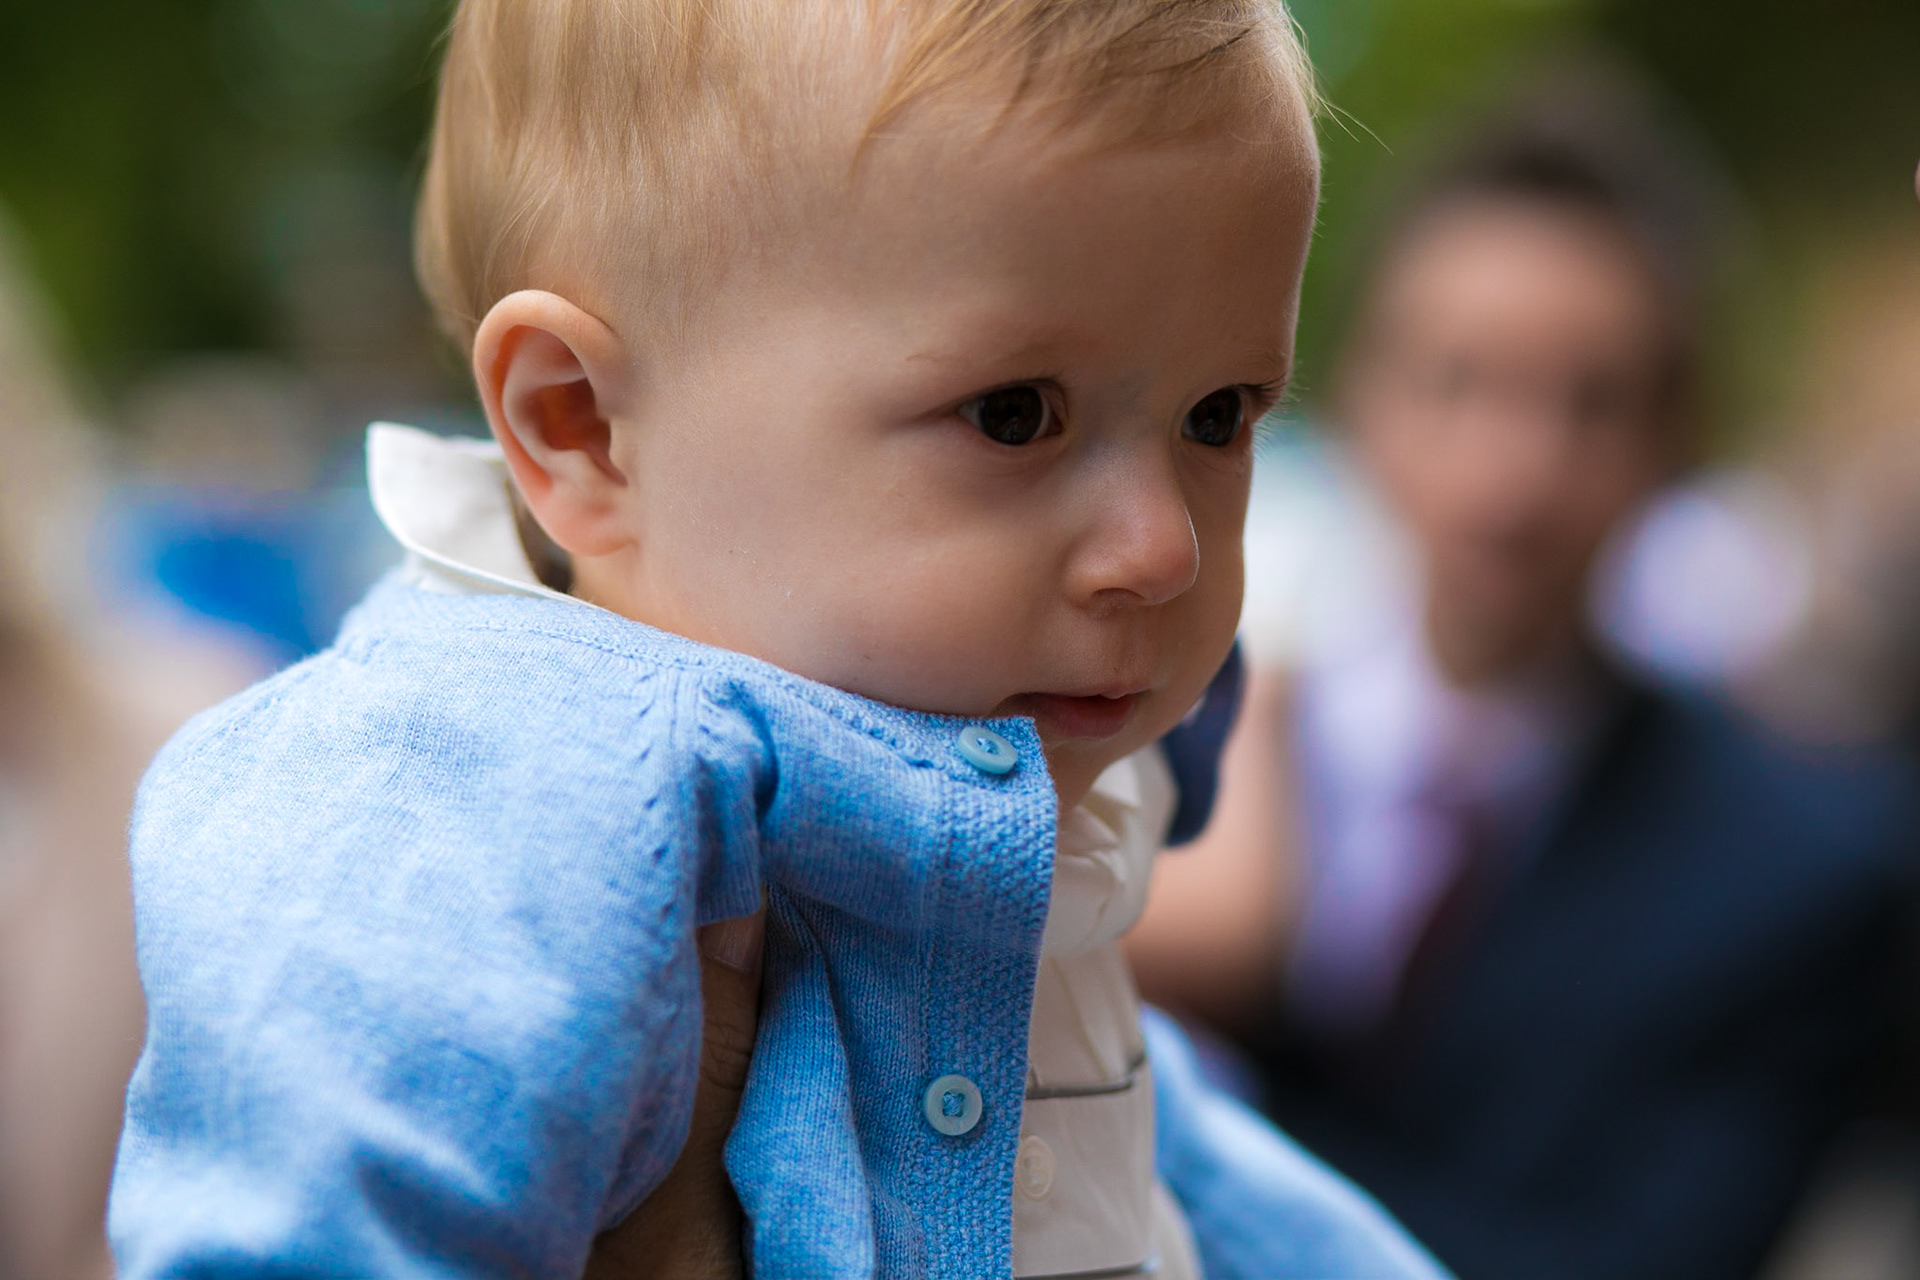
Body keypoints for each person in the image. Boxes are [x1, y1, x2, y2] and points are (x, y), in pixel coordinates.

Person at [106, 4, 1449, 1278]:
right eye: (1013, 415)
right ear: (582, 428)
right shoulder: (471, 778)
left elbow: (1162, 1168)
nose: (1166, 549)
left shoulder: (978, 729)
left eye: (1220, 417)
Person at [1128, 74, 1919, 1280]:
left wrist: (1162, 1127)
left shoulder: (1809, 862)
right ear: (1353, 394)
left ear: (1681, 434)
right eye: (1459, 380)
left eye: (1591, 401)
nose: (1515, 472)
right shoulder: (1174, 735)